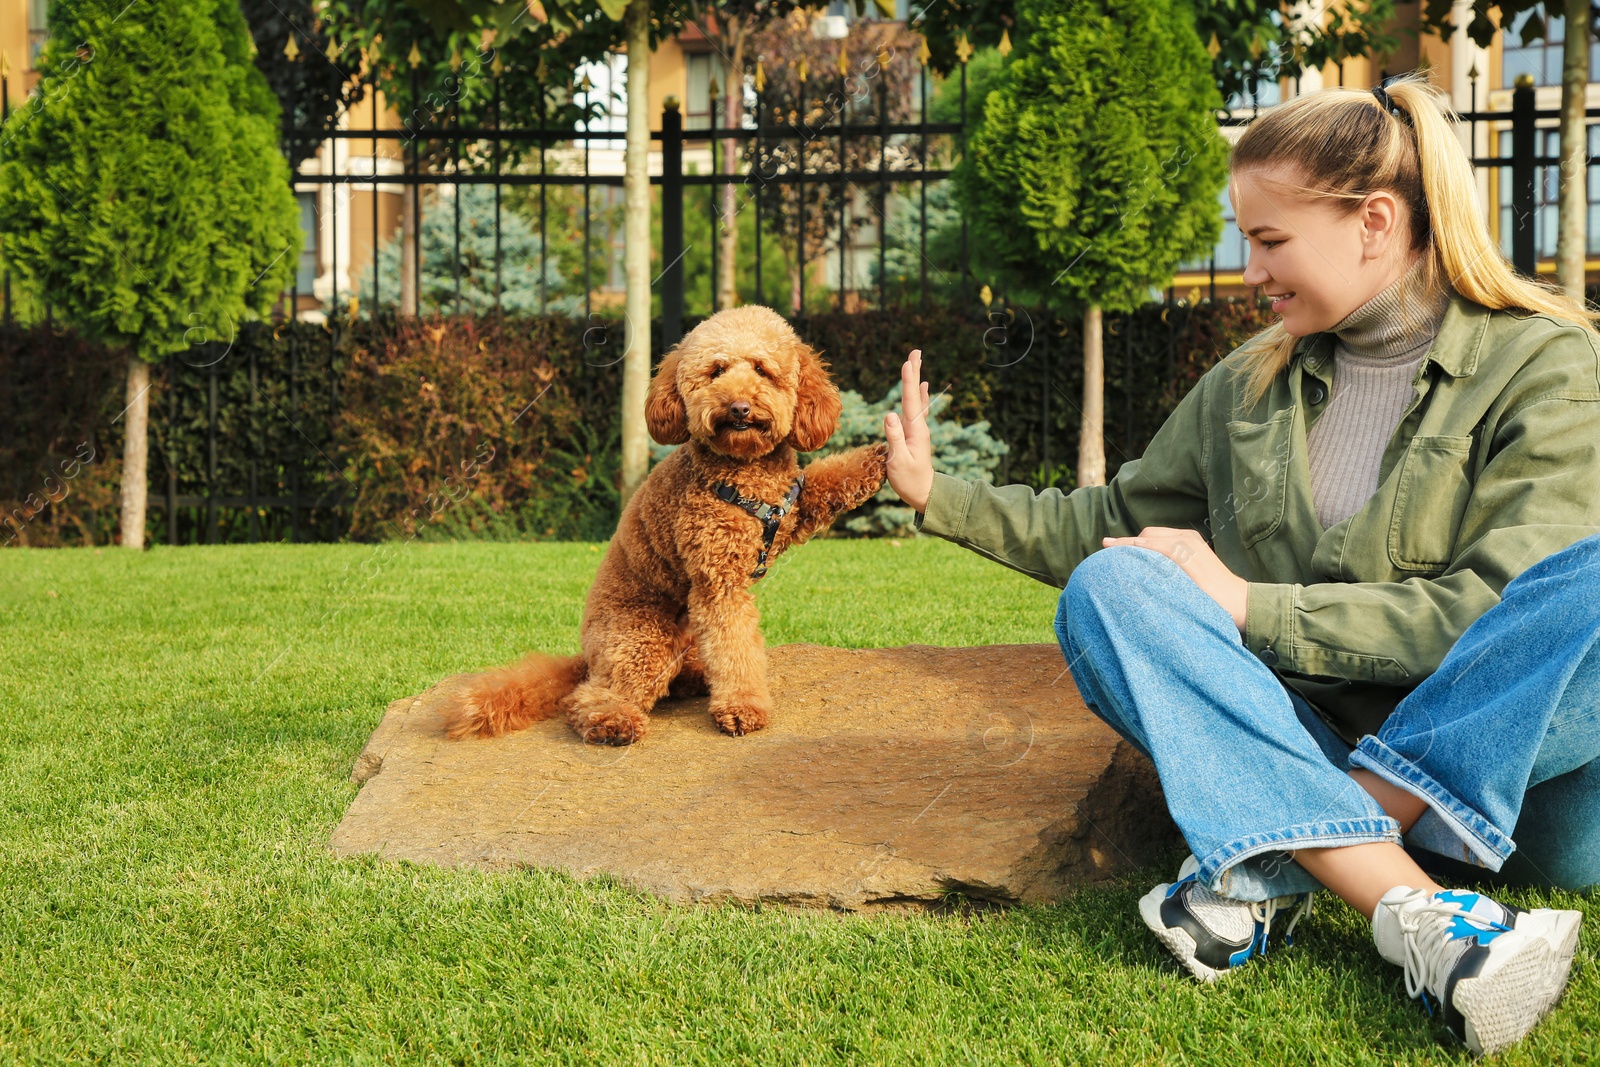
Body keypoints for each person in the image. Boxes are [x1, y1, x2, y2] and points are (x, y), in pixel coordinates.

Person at [882, 74, 1600, 1057]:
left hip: (1517, 774)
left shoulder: (1546, 363)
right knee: (1115, 586)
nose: (1251, 268)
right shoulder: (1249, 382)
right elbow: (1109, 522)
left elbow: (1496, 612)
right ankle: (1426, 916)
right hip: (1300, 731)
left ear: (1374, 224)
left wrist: (1248, 604)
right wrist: (940, 495)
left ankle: (1291, 850)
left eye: (1269, 240)